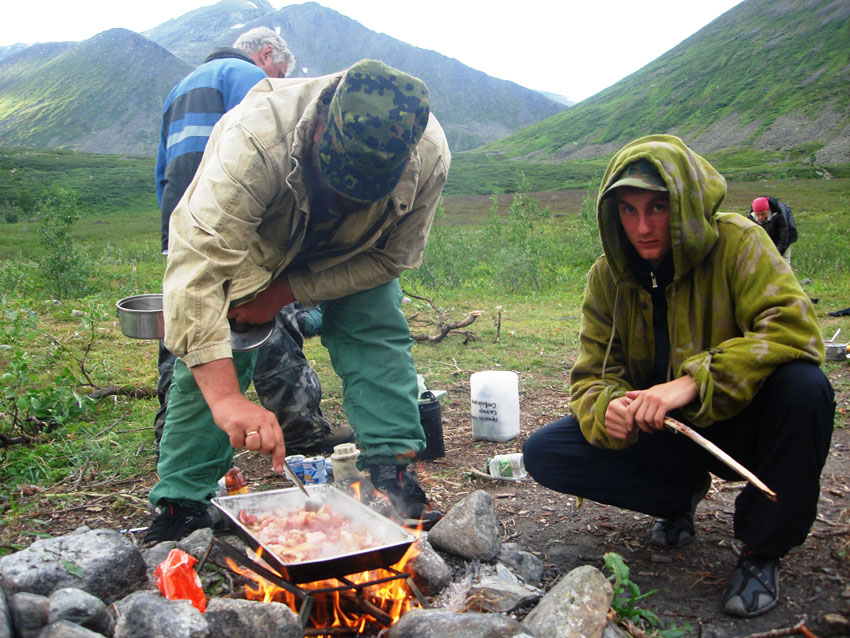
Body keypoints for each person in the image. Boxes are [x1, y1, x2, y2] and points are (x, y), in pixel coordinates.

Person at [523, 135, 834, 618]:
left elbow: (794, 329)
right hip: (665, 432)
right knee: (546, 452)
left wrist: (692, 382)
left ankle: (761, 551)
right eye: (627, 210)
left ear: (686, 202)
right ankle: (678, 496)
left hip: (741, 423)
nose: (642, 227)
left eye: (658, 207)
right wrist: (608, 408)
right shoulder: (608, 277)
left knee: (806, 387)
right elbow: (591, 376)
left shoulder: (737, 242)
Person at [144, 59, 451, 544]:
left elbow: (391, 260)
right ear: (319, 131)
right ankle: (182, 501)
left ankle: (392, 476)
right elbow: (195, 276)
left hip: (357, 251)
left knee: (374, 328)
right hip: (260, 240)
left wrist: (288, 294)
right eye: (337, 186)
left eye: (360, 195)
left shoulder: (429, 155)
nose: (344, 203)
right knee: (225, 339)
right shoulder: (253, 141)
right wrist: (227, 400)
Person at [153, 27, 352, 456]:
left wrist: (177, 234)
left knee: (186, 323)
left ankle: (172, 438)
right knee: (263, 325)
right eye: (281, 71)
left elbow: (162, 168)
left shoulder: (180, 89)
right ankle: (301, 428)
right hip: (239, 223)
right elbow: (269, 160)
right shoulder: (255, 85)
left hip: (186, 222)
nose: (282, 80)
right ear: (265, 56)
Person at [750, 196, 792, 265]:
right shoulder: (751, 218)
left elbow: (784, 238)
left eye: (763, 213)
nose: (760, 217)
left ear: (768, 210)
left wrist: (775, 255)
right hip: (767, 239)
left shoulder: (779, 216)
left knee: (783, 263)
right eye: (757, 214)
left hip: (785, 239)